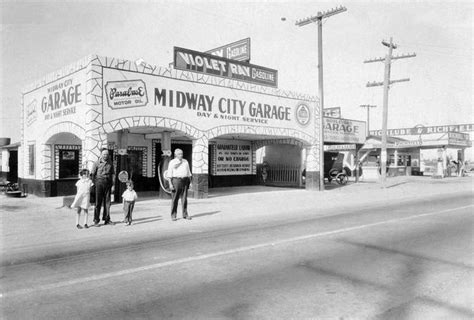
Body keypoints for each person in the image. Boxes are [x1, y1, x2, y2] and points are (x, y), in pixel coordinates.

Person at [91, 149, 115, 226]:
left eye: (107, 154)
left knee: (107, 202)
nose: (105, 156)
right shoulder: (96, 163)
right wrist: (94, 184)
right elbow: (92, 175)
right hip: (99, 183)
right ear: (101, 155)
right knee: (98, 202)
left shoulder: (110, 163)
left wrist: (113, 185)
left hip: (108, 183)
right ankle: (96, 220)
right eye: (104, 154)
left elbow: (113, 174)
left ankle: (107, 219)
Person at [166, 148, 192, 221]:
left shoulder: (185, 161)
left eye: (182, 154)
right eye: (179, 154)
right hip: (176, 181)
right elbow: (169, 174)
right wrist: (170, 184)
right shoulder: (172, 162)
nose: (181, 155)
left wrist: (190, 182)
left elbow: (188, 172)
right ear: (175, 155)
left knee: (184, 199)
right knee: (175, 199)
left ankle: (185, 214)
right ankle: (173, 215)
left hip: (185, 180)